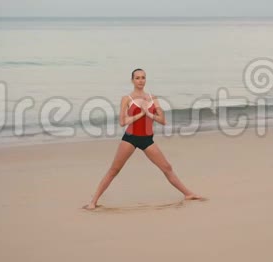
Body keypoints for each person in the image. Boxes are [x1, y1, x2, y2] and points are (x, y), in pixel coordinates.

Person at [83, 68, 201, 210]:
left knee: (167, 167)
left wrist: (149, 114)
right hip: (130, 138)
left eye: (143, 77)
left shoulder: (153, 98)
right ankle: (93, 201)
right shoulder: (127, 99)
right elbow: (122, 121)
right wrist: (141, 114)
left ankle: (188, 194)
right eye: (137, 78)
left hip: (147, 139)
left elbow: (163, 120)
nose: (140, 80)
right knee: (114, 170)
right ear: (132, 80)